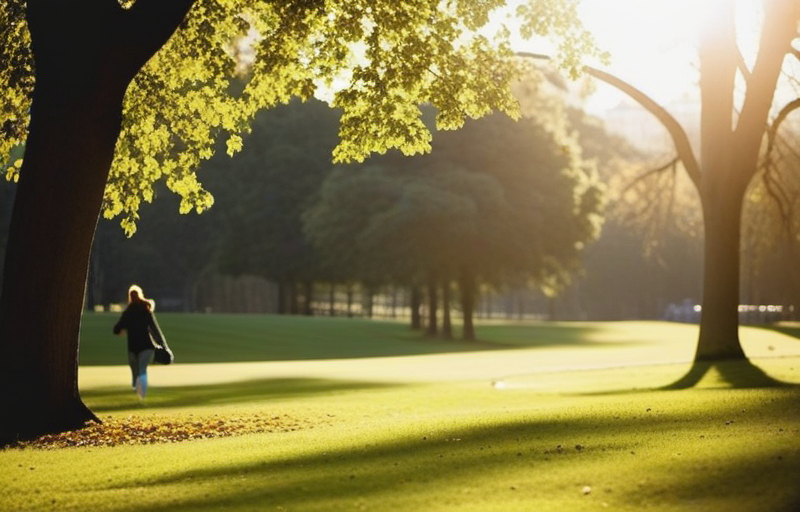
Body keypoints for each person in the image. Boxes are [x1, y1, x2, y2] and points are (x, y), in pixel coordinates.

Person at [113, 284, 167, 399]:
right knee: (141, 369)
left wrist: (124, 330)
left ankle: (137, 391)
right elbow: (154, 329)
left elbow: (116, 329)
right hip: (146, 346)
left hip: (133, 346)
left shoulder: (128, 312)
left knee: (135, 370)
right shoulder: (145, 311)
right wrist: (163, 345)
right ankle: (141, 393)